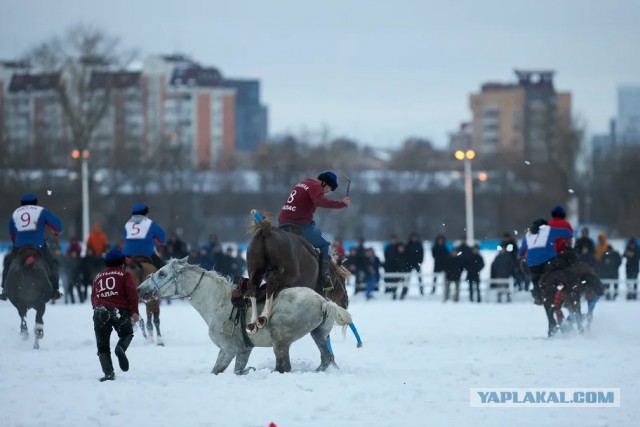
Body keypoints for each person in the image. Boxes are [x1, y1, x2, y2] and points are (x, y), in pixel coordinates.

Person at [277, 171, 350, 289]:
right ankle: (324, 278)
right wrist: (341, 204)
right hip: (299, 225)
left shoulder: (304, 182)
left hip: (282, 223)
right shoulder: (316, 187)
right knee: (325, 244)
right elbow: (320, 202)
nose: (327, 192)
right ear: (324, 183)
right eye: (329, 189)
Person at [1, 193, 63, 301]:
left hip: (20, 247)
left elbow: (12, 233)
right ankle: (54, 290)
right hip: (38, 246)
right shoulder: (41, 211)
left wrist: (18, 242)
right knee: (52, 263)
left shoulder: (15, 213)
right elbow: (57, 225)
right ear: (35, 202)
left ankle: (5, 290)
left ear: (22, 203)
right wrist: (57, 231)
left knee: (7, 261)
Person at [91, 249, 140, 382]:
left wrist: (96, 309)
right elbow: (132, 294)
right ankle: (120, 348)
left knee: (102, 346)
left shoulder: (98, 277)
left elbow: (93, 297)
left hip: (100, 311)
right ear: (121, 262)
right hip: (119, 310)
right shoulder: (124, 275)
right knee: (127, 333)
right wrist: (135, 311)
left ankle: (108, 373)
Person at [518, 218, 573, 305]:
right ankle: (566, 289)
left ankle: (538, 295)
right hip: (548, 263)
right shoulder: (549, 230)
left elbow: (520, 252)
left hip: (533, 266)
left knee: (536, 281)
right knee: (564, 271)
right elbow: (568, 233)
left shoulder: (528, 234)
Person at [122, 203, 166, 269]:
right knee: (162, 269)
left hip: (129, 253)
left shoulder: (127, 224)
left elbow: (125, 238)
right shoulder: (150, 223)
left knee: (120, 268)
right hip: (147, 252)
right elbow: (162, 238)